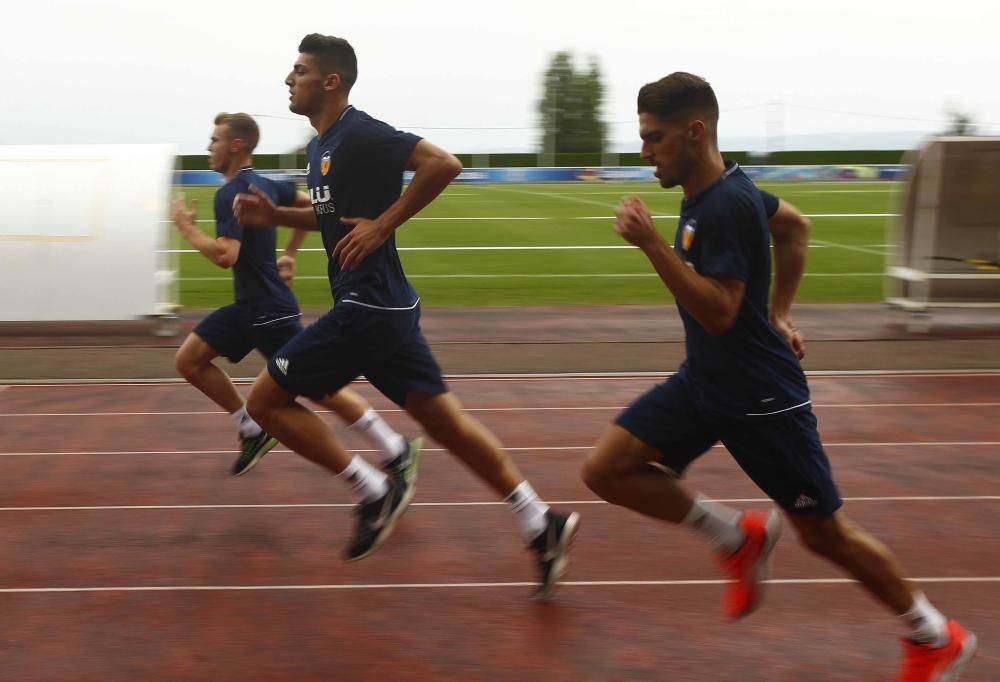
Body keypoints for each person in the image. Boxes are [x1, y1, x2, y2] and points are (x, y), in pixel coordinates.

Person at [580, 72, 976, 680]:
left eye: (654, 138)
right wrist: (780, 312)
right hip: (706, 384)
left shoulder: (725, 205)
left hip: (760, 399)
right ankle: (736, 538)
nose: (644, 152)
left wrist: (652, 246)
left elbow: (717, 313)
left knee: (825, 536)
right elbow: (795, 227)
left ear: (695, 131)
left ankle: (934, 634)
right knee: (606, 469)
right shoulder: (727, 188)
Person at [232, 34, 579, 596]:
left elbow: (444, 164)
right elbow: (326, 218)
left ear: (330, 81)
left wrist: (385, 223)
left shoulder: (360, 133)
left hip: (367, 308)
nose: (287, 80)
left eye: (297, 71)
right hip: (388, 308)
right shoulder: (320, 147)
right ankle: (542, 522)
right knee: (447, 425)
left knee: (265, 402)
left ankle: (374, 490)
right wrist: (272, 214)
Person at [170, 112, 421, 483]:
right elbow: (314, 207)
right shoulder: (268, 184)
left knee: (321, 389)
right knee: (190, 361)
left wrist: (187, 229)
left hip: (270, 313)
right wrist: (290, 253)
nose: (209, 147)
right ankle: (252, 429)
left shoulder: (229, 194)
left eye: (214, 140)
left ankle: (395, 448)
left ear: (236, 145)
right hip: (248, 309)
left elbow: (226, 255)